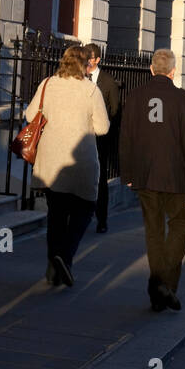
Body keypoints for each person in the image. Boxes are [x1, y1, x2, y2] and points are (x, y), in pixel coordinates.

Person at [119, 48, 185, 313]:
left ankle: (158, 287)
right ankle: (166, 283)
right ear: (173, 71)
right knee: (181, 224)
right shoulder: (182, 98)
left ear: (150, 69)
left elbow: (126, 139)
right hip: (174, 175)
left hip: (145, 175)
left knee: (154, 229)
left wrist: (127, 174)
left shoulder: (135, 96)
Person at [24, 44, 109, 287]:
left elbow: (31, 116)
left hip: (51, 161)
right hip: (81, 161)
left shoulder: (48, 84)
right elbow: (103, 128)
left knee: (57, 213)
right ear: (84, 64)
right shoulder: (91, 90)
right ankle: (66, 255)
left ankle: (53, 267)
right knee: (84, 209)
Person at [85, 43, 121, 232]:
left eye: (89, 58)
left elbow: (115, 110)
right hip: (81, 138)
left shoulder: (107, 81)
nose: (86, 62)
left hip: (100, 139)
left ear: (97, 60)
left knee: (99, 179)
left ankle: (101, 219)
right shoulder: (79, 78)